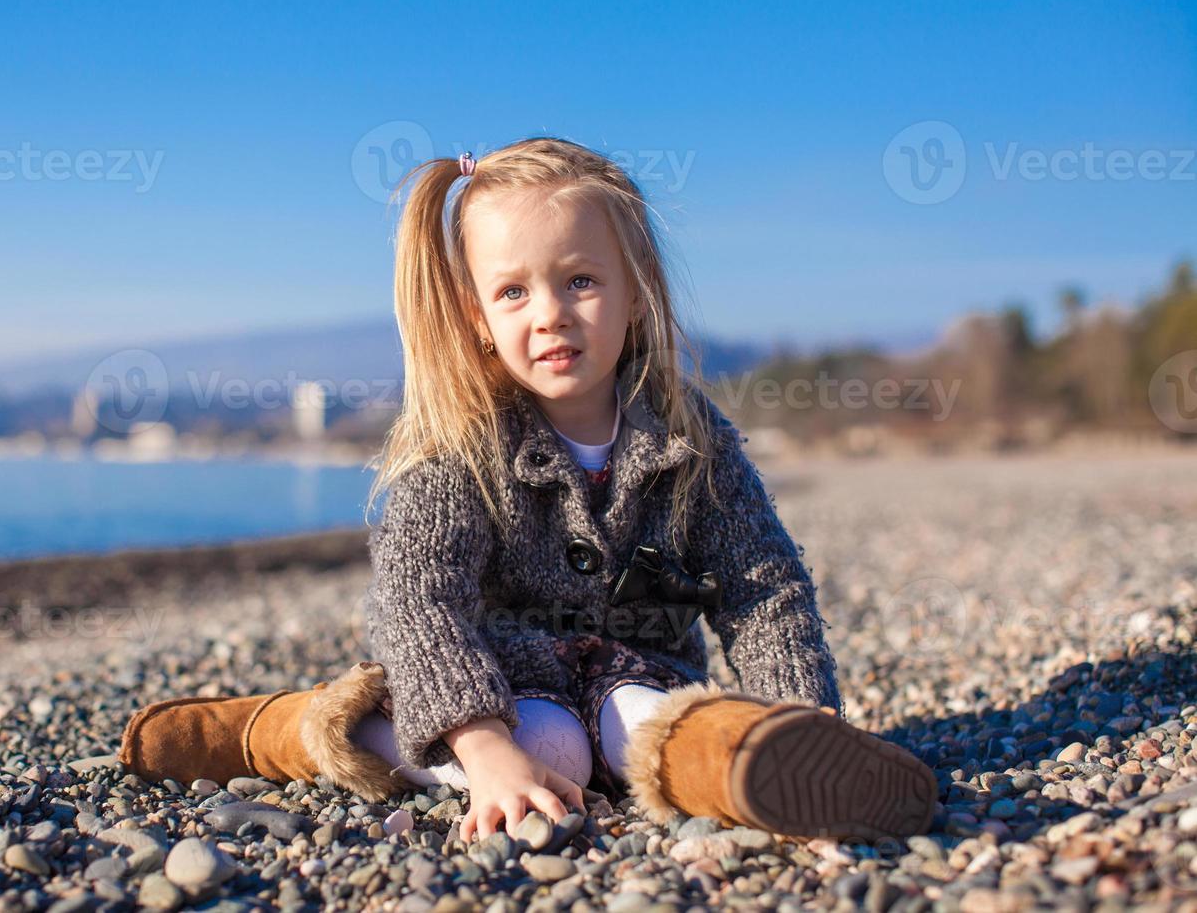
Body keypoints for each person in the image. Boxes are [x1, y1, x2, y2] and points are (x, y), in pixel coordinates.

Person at [119, 137, 937, 846]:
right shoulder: (462, 446)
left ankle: (778, 768)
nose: (550, 314)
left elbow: (762, 585)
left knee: (647, 731)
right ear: (478, 317)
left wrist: (800, 708)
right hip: (501, 683)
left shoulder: (690, 436)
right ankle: (294, 729)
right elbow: (418, 602)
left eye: (580, 281)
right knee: (548, 751)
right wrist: (484, 751)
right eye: (514, 292)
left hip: (637, 674)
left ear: (634, 289)